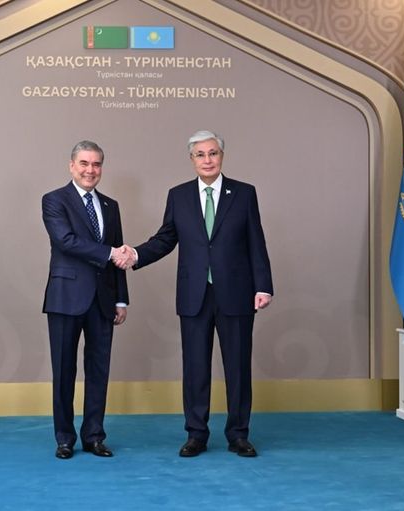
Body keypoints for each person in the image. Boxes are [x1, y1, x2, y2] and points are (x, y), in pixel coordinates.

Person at [117, 130, 273, 457]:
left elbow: (255, 241)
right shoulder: (179, 196)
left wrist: (263, 286)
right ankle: (196, 434)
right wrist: (137, 255)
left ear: (222, 156)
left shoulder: (244, 193)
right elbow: (165, 238)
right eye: (200, 154)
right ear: (192, 160)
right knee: (195, 368)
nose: (207, 160)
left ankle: (238, 435)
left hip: (237, 293)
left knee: (238, 368)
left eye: (213, 153)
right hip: (194, 295)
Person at [42, 140, 131, 459]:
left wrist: (121, 300)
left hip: (103, 300)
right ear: (71, 165)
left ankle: (94, 436)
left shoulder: (111, 205)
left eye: (96, 164)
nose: (90, 170)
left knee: (98, 371)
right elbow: (65, 241)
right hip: (66, 298)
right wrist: (110, 252)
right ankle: (64, 438)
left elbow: (118, 254)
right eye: (84, 163)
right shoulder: (54, 200)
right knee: (63, 370)